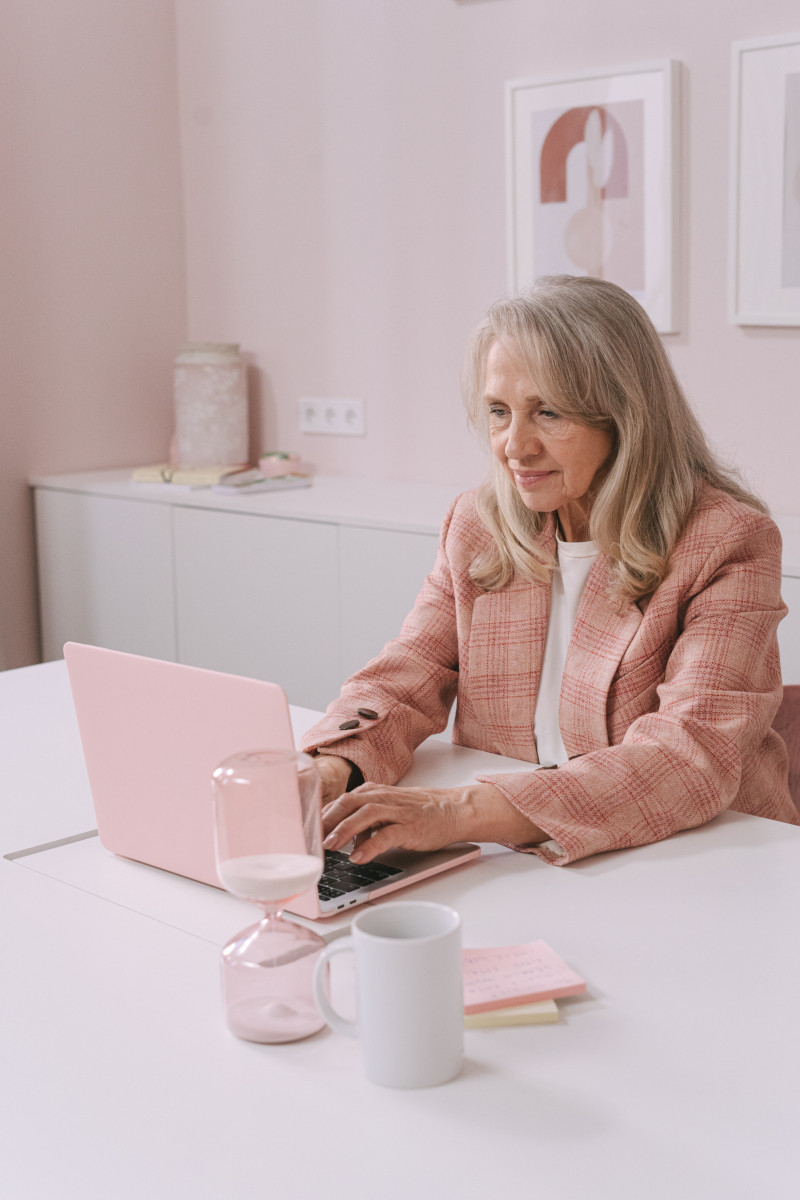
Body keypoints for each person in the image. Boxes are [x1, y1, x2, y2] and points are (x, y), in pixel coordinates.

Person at [302, 275, 798, 867]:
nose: (515, 445)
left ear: (625, 417)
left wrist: (455, 813)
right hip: (523, 863)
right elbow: (407, 672)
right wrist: (331, 768)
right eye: (499, 411)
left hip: (701, 856)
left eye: (549, 412)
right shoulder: (477, 523)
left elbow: (690, 754)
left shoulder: (727, 540)